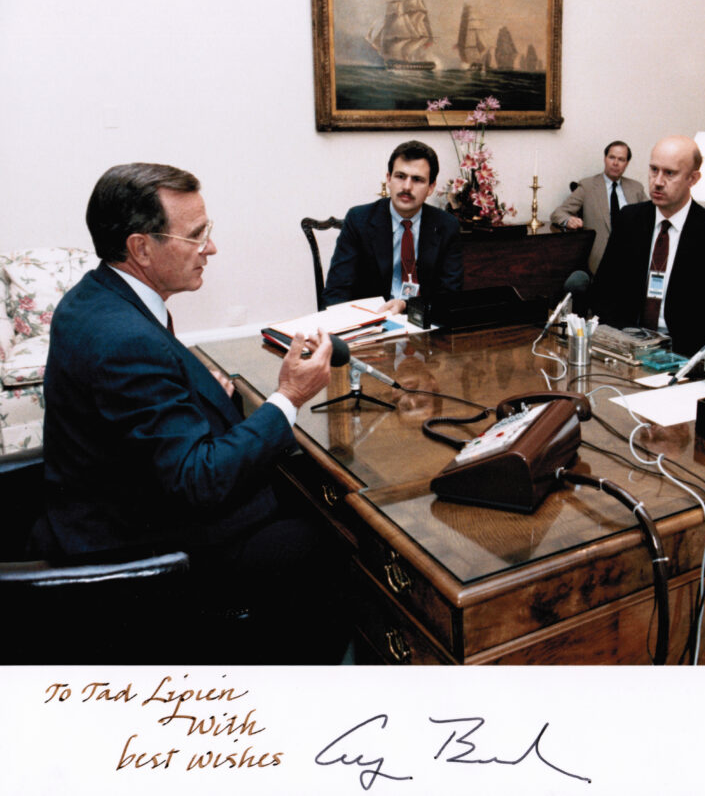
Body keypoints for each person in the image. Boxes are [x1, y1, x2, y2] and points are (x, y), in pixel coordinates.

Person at [32, 162, 347, 661]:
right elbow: (199, 480)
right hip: (137, 547)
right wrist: (288, 396)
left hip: (104, 504)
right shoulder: (125, 339)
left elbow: (142, 405)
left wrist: (196, 389)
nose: (212, 249)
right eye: (197, 236)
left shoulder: (96, 297)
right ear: (141, 247)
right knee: (332, 534)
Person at [589, 135, 705, 363]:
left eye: (670, 173)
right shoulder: (629, 219)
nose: (658, 181)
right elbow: (604, 290)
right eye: (654, 170)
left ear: (693, 179)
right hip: (628, 349)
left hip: (684, 355)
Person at [323, 140, 464, 312]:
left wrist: (407, 307)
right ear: (389, 179)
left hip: (423, 322)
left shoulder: (446, 226)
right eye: (400, 176)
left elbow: (450, 295)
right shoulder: (359, 220)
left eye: (417, 180)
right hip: (371, 322)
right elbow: (337, 291)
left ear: (431, 187)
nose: (407, 186)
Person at [550, 140, 648, 273]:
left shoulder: (636, 188)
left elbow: (652, 215)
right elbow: (558, 213)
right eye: (611, 157)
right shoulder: (588, 186)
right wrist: (568, 221)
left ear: (627, 164)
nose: (615, 163)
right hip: (599, 258)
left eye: (621, 159)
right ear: (605, 159)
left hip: (632, 257)